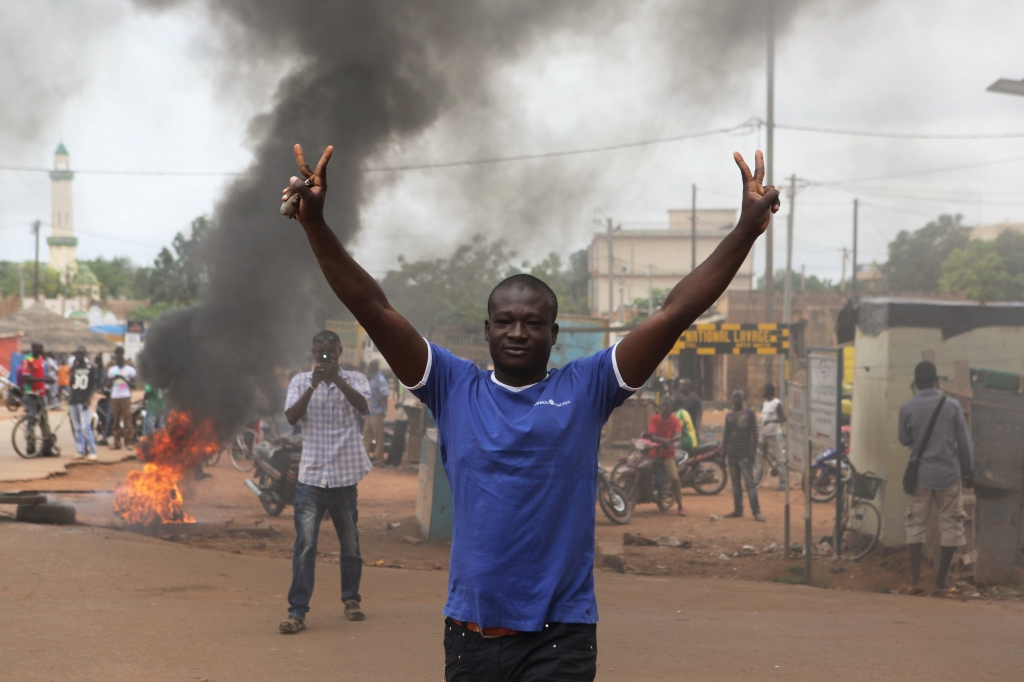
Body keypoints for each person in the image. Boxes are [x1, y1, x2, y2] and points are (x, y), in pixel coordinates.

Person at [280, 143, 778, 679]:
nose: (518, 331)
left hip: (559, 639)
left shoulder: (588, 387)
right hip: (472, 635)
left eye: (533, 322)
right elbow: (373, 309)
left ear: (553, 334)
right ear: (488, 329)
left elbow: (675, 311)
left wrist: (746, 229)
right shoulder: (452, 385)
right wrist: (316, 227)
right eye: (506, 321)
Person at [279, 330, 372, 634]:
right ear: (313, 352)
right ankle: (297, 611)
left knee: (351, 545)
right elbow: (292, 418)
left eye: (331, 352)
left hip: (344, 477)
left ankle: (351, 600)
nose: (326, 356)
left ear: (340, 352)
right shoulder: (299, 381)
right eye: (321, 351)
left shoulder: (356, 379)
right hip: (312, 478)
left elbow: (364, 406)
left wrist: (338, 381)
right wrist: (314, 384)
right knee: (305, 546)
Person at [899, 361, 974, 594]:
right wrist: (968, 471)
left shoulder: (907, 407)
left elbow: (903, 439)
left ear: (916, 382)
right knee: (952, 525)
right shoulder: (951, 406)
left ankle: (916, 580)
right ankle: (940, 582)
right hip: (948, 475)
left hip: (920, 474)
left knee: (916, 524)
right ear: (936, 381)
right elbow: (963, 442)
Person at [722, 390, 764, 522]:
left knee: (750, 484)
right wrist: (723, 455)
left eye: (738, 397)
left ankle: (756, 511)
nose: (736, 400)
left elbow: (754, 434)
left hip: (745, 455)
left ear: (743, 399)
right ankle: (738, 509)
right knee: (735, 484)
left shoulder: (749, 414)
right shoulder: (729, 415)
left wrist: (752, 454)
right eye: (734, 397)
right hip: (732, 454)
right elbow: (726, 435)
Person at [648, 399, 686, 516]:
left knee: (675, 478)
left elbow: (679, 434)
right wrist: (663, 440)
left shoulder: (675, 421)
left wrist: (670, 440)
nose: (665, 408)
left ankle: (680, 505)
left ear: (671, 407)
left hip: (668, 454)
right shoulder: (654, 419)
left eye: (667, 405)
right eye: (663, 405)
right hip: (654, 453)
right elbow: (652, 435)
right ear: (660, 407)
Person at [18, 342, 57, 457]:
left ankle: (46, 448)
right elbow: (26, 378)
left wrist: (46, 379)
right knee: (31, 420)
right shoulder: (27, 360)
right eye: (39, 349)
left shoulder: (41, 359)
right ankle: (31, 447)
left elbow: (41, 374)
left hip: (42, 394)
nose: (41, 351)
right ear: (34, 349)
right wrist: (44, 379)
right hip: (31, 394)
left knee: (44, 421)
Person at [68, 346, 99, 461]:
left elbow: (94, 385)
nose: (78, 356)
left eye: (80, 354)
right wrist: (73, 368)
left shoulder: (91, 368)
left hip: (83, 401)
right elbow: (71, 383)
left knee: (86, 426)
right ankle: (80, 450)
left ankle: (92, 451)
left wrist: (88, 400)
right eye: (77, 354)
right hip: (74, 400)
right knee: (77, 427)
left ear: (85, 355)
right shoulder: (74, 368)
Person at [105, 347, 136, 450]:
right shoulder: (112, 370)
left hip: (126, 396)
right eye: (117, 361)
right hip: (115, 397)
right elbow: (107, 384)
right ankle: (117, 443)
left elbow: (134, 385)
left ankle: (129, 442)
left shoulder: (130, 370)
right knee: (116, 420)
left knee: (127, 420)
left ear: (123, 361)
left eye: (120, 361)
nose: (118, 363)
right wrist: (113, 379)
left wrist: (124, 379)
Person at [760, 383, 787, 491]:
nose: (763, 393)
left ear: (770, 392)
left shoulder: (777, 403)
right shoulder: (765, 403)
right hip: (764, 434)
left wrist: (771, 421)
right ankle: (759, 478)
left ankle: (783, 482)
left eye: (764, 391)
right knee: (761, 457)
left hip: (774, 434)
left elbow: (783, 418)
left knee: (779, 459)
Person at [362, 359, 389, 462]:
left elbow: (385, 393)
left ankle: (380, 459)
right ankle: (364, 458)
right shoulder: (372, 378)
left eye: (370, 367)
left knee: (378, 437)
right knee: (366, 435)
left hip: (377, 412)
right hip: (369, 411)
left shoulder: (380, 379)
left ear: (374, 368)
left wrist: (379, 401)